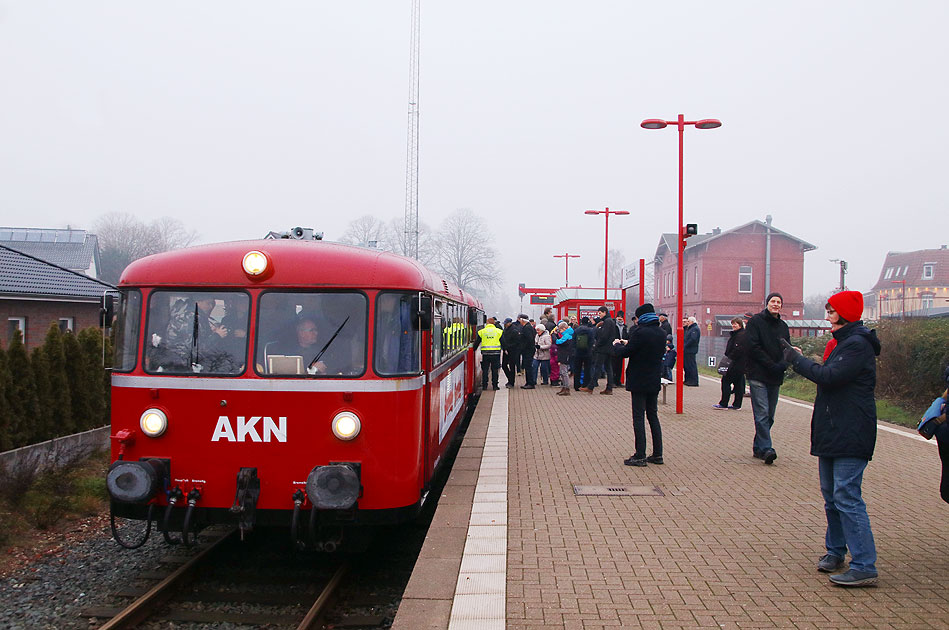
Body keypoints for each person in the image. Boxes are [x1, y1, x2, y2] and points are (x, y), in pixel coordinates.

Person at [782, 290, 881, 587]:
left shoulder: (857, 346)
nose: (828, 317)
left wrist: (796, 362)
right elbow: (827, 373)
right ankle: (835, 551)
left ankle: (864, 564)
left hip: (851, 431)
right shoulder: (842, 344)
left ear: (847, 314)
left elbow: (830, 377)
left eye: (832, 312)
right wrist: (800, 359)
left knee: (847, 496)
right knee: (832, 497)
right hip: (833, 430)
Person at [613, 304, 667, 466]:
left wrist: (617, 344)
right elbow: (643, 347)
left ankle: (640, 455)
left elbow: (625, 353)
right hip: (654, 379)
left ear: (641, 317)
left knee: (638, 417)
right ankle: (658, 454)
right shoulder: (661, 333)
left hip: (638, 379)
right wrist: (628, 342)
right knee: (653, 416)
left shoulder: (639, 332)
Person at [745, 292, 790, 465]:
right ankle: (767, 449)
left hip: (776, 375)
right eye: (773, 301)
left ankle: (758, 446)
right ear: (767, 303)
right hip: (758, 374)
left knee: (770, 415)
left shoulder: (783, 326)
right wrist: (770, 364)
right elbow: (753, 346)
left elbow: (786, 348)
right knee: (762, 412)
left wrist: (783, 364)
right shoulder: (756, 322)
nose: (776, 304)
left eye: (779, 302)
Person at [583, 306, 619, 394]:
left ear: (605, 312)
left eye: (600, 313)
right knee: (608, 368)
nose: (599, 315)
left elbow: (603, 336)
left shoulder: (606, 322)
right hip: (609, 348)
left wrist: (597, 344)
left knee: (598, 367)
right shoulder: (610, 321)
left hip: (603, 348)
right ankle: (609, 388)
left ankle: (591, 387)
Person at [715, 317, 746, 410]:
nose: (733, 326)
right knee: (738, 383)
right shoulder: (739, 334)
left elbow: (738, 349)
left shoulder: (739, 335)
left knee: (725, 381)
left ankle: (724, 403)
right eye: (732, 324)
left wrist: (730, 358)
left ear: (740, 325)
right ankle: (737, 404)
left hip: (735, 363)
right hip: (740, 363)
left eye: (735, 324)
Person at [475, 317, 503, 390]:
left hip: (485, 354)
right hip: (496, 354)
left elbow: (477, 342)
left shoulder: (482, 331)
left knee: (485, 370)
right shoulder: (499, 331)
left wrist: (473, 349)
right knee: (495, 370)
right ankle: (495, 386)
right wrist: (505, 349)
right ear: (494, 323)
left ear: (487, 323)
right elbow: (503, 341)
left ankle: (484, 386)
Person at [573, 317, 595, 391]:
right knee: (587, 369)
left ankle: (576, 385)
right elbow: (592, 341)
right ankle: (585, 384)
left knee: (577, 369)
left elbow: (573, 342)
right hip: (587, 353)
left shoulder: (576, 330)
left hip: (577, 353)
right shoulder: (590, 331)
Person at [554, 321, 574, 395]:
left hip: (565, 355)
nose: (560, 332)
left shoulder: (567, 335)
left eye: (561, 330)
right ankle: (564, 387)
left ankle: (566, 388)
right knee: (562, 372)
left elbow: (559, 342)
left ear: (564, 328)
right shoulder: (569, 334)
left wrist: (554, 336)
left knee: (564, 372)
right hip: (565, 354)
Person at [500, 318, 519, 388]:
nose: (505, 324)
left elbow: (516, 342)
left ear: (510, 323)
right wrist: (504, 348)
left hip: (512, 351)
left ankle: (511, 382)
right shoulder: (505, 330)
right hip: (506, 350)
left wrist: (508, 347)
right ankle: (510, 379)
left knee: (512, 366)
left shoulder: (514, 330)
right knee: (504, 365)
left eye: (506, 323)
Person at [519, 314, 537, 388]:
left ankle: (530, 383)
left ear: (523, 320)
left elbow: (529, 339)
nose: (519, 321)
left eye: (520, 320)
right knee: (527, 366)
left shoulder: (527, 328)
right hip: (528, 350)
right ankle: (528, 382)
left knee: (528, 367)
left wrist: (523, 347)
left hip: (528, 350)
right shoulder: (528, 327)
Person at [683, 316, 700, 386]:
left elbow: (693, 339)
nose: (687, 323)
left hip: (691, 350)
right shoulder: (690, 329)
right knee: (687, 365)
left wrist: (685, 345)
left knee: (691, 365)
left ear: (692, 322)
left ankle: (693, 381)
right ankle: (688, 380)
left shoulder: (694, 329)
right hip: (688, 350)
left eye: (688, 322)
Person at [612, 311, 628, 387]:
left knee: (619, 366)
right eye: (619, 317)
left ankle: (618, 381)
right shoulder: (613, 325)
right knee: (613, 365)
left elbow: (626, 335)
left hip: (622, 347)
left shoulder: (624, 327)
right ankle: (613, 382)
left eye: (621, 317)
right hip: (614, 347)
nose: (620, 319)